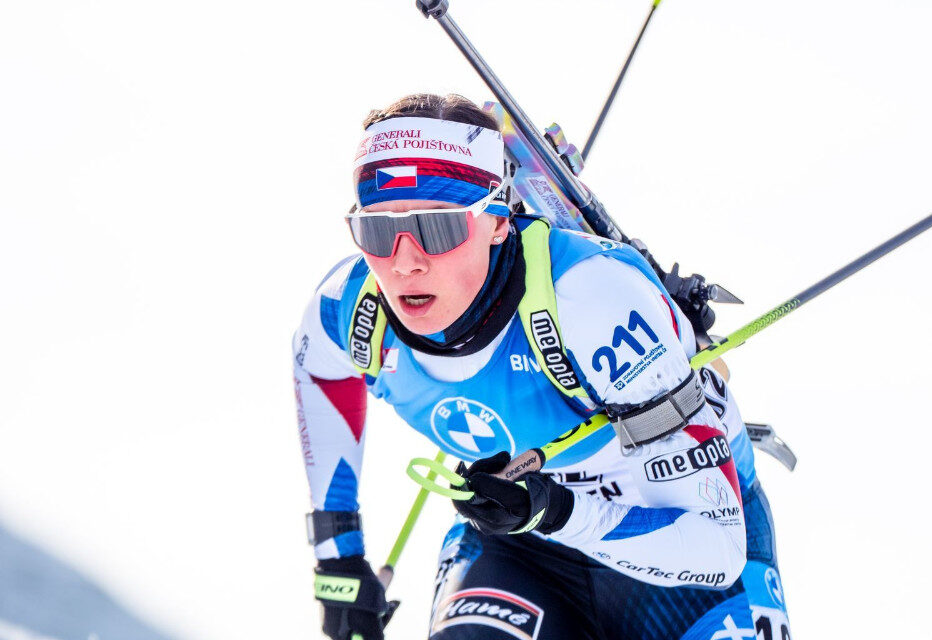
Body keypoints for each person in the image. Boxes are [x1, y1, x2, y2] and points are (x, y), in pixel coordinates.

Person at [292, 93, 791, 639]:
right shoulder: (349, 310)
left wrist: (556, 510)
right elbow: (318, 371)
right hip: (521, 544)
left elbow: (717, 550)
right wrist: (338, 557)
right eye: (377, 231)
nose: (405, 263)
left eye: (438, 229)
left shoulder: (594, 299)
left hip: (676, 539)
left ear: (498, 220)